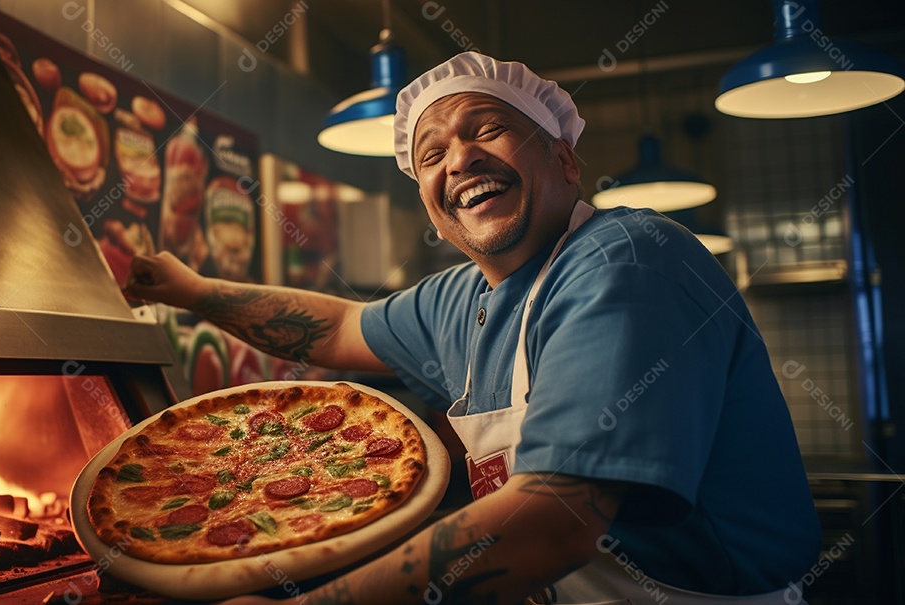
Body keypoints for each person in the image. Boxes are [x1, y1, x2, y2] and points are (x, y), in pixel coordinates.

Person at [124, 52, 822, 604]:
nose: (458, 159)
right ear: (432, 204)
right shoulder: (460, 298)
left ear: (565, 160)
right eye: (431, 154)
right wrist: (194, 290)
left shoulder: (626, 261)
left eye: (487, 129)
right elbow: (337, 326)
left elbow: (557, 518)